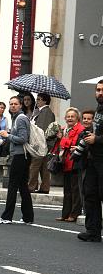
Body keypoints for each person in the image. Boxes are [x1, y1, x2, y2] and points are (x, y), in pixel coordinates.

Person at [0, 96, 34, 224]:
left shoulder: (20, 119)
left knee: (12, 185)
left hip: (20, 156)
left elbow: (23, 139)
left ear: (20, 105)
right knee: (23, 186)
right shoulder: (16, 118)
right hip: (21, 155)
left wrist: (8, 135)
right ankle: (28, 217)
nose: (13, 106)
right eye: (11, 104)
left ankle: (7, 217)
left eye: (15, 104)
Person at [78, 80, 103, 242]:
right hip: (94, 159)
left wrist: (97, 139)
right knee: (90, 194)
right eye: (98, 90)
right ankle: (93, 231)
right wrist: (86, 135)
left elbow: (98, 136)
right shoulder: (99, 110)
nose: (100, 93)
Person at [55, 107, 84, 222]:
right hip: (65, 162)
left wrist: (62, 139)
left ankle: (74, 214)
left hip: (75, 163)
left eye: (72, 116)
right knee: (67, 190)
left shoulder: (80, 129)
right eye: (68, 116)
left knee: (75, 190)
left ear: (77, 118)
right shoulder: (64, 129)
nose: (70, 118)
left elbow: (73, 144)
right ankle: (65, 214)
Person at [27, 93, 56, 194]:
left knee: (35, 165)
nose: (37, 101)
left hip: (40, 142)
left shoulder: (46, 112)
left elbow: (41, 129)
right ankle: (44, 187)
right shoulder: (38, 111)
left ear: (45, 101)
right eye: (37, 99)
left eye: (39, 99)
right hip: (41, 142)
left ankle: (32, 186)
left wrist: (36, 143)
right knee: (43, 166)